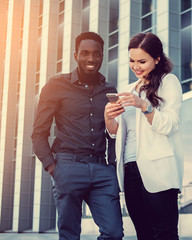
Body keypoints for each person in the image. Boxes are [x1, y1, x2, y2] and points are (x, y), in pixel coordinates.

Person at [32, 32, 124, 240]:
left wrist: (112, 166)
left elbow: (112, 133)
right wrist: (53, 167)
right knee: (70, 235)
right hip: (68, 167)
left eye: (96, 54)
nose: (91, 59)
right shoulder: (56, 86)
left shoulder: (110, 90)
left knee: (114, 233)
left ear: (102, 56)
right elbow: (38, 132)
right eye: (85, 53)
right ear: (76, 55)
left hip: (102, 170)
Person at [104, 32, 183, 240]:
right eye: (132, 60)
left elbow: (170, 124)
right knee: (143, 234)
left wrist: (143, 105)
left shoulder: (169, 82)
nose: (136, 66)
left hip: (158, 168)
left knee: (164, 233)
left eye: (142, 61)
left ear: (157, 60)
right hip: (130, 170)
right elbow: (118, 134)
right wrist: (109, 120)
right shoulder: (129, 89)